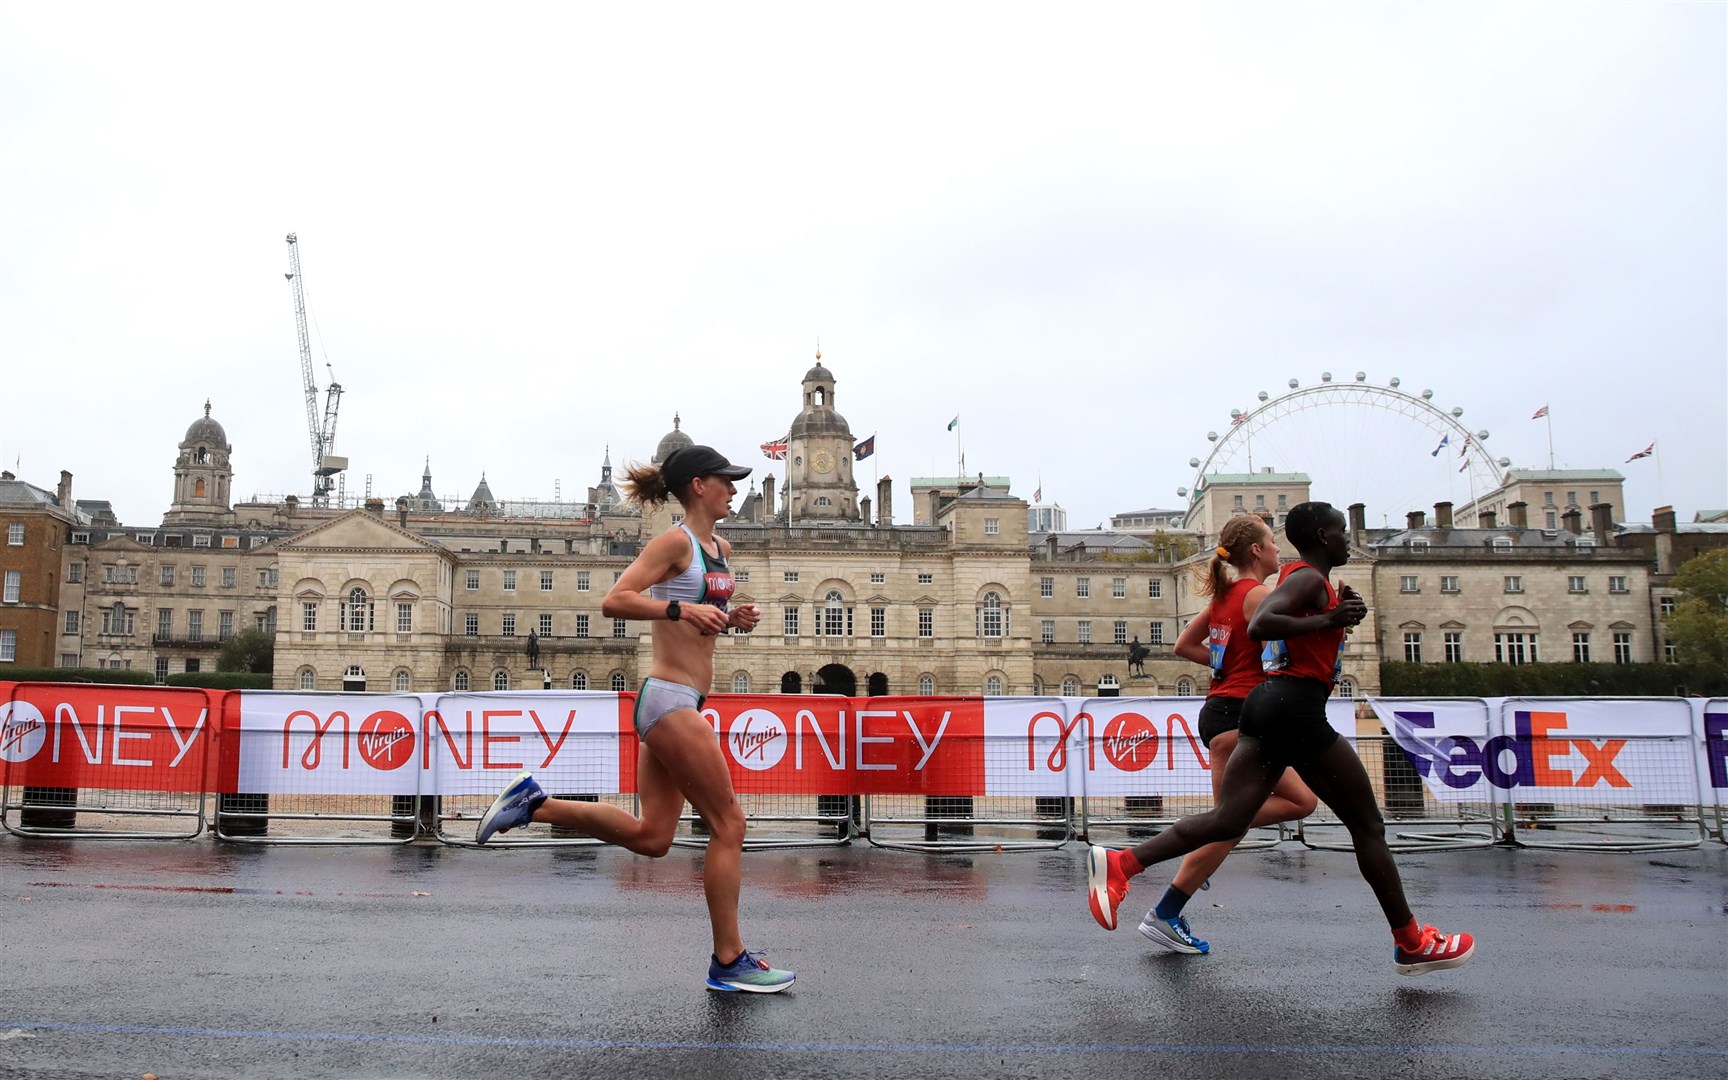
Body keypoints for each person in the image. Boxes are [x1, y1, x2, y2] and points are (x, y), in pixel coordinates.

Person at [1087, 502, 1475, 976]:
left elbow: (1257, 637)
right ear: (1319, 536)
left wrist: (1340, 614)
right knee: (1366, 826)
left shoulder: (1307, 582)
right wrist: (1330, 620)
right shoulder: (1300, 578)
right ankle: (1411, 942)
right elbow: (1264, 624)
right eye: (1339, 530)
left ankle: (1122, 864)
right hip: (1290, 710)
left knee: (1232, 818)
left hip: (1264, 706)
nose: (1347, 538)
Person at [475, 444, 794, 993]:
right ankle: (729, 959)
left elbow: (698, 620)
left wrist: (730, 619)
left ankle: (533, 803)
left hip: (682, 700)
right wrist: (678, 608)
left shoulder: (721, 546)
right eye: (726, 479)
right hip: (669, 698)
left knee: (653, 838)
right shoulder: (675, 541)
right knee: (730, 824)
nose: (735, 487)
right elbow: (615, 599)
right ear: (699, 485)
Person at [1134, 514, 1317, 954]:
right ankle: (1165, 910)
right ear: (1256, 550)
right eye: (1272, 542)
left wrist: (1225, 667)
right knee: (1235, 822)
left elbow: (1183, 646)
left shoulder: (1223, 596)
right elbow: (1293, 643)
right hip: (1240, 716)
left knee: (1268, 811)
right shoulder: (1258, 594)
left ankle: (1182, 874)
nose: (1278, 550)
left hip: (1222, 711)